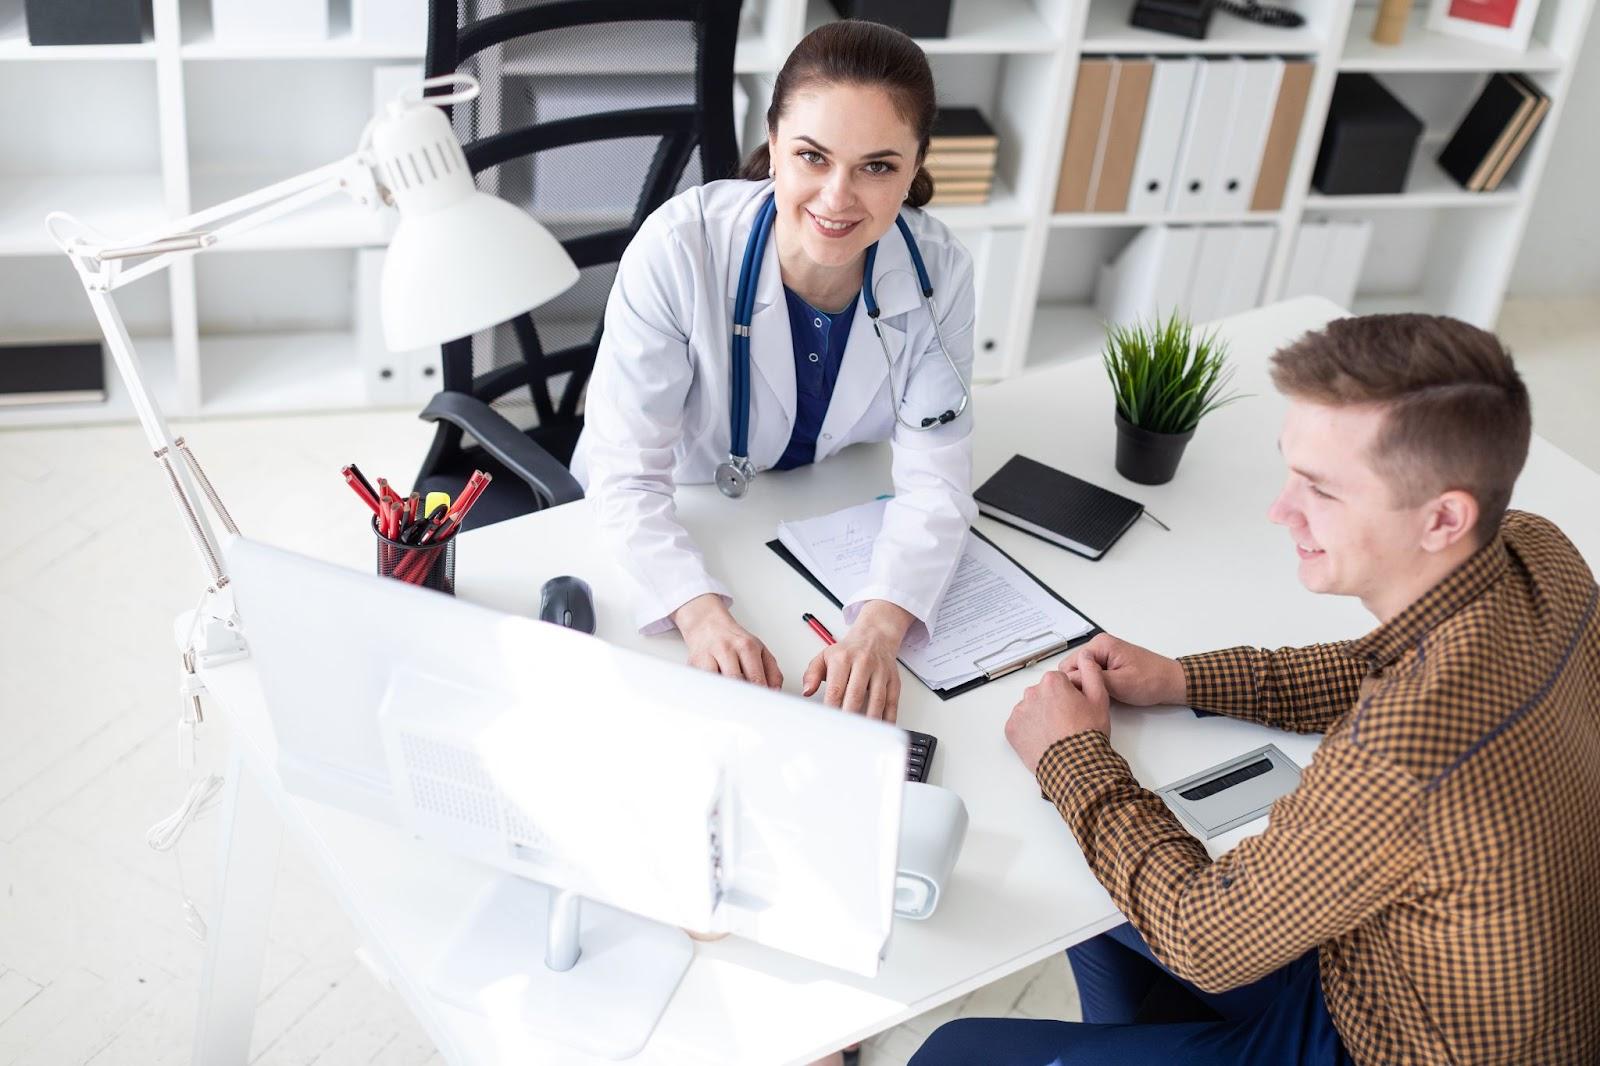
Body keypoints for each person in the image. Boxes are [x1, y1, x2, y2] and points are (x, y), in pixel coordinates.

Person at [911, 313, 1600, 1064]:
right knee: (1097, 891)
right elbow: (1373, 666)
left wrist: (1073, 756)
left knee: (954, 1052)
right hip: (1444, 975)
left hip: (1390, 1042)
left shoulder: (1400, 760)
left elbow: (1202, 936)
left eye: (1322, 490)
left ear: (1443, 518)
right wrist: (1183, 679)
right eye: (1290, 471)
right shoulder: (1534, 550)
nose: (1280, 510)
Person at [572, 19, 976, 725]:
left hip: (819, 511)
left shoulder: (938, 273)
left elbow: (937, 483)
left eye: (878, 167)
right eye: (813, 157)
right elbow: (625, 478)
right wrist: (702, 618)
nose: (837, 198)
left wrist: (879, 629)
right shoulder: (680, 249)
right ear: (774, 141)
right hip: (690, 511)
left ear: (916, 166)